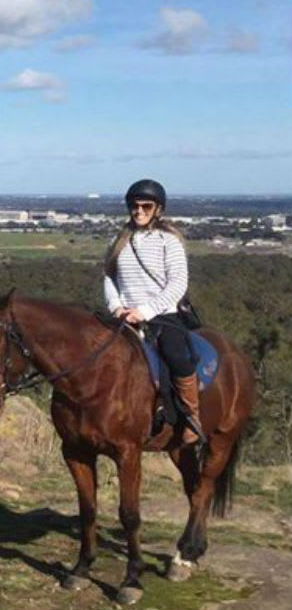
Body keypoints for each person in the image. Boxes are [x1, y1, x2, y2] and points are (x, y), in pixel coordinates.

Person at [104, 178, 200, 444]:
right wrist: (116, 307)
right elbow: (109, 277)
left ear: (158, 209)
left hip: (162, 314)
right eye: (134, 206)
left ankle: (191, 415)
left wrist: (144, 311)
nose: (139, 211)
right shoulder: (120, 241)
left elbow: (177, 284)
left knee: (177, 356)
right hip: (123, 315)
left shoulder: (169, 242)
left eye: (146, 206)